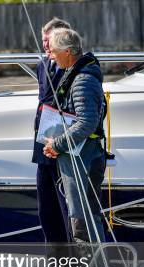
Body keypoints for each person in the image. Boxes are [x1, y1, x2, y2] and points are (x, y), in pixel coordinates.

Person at [42, 28, 107, 244]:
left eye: (53, 52)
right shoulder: (81, 75)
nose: (50, 56)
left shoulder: (82, 81)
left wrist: (57, 145)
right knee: (88, 216)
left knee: (81, 218)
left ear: (68, 51)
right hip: (84, 156)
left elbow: (87, 123)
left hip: (82, 159)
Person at [33, 17, 72, 244]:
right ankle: (55, 263)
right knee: (46, 207)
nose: (46, 45)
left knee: (66, 207)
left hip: (63, 146)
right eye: (43, 40)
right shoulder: (42, 65)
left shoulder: (75, 66)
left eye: (49, 40)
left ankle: (74, 263)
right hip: (42, 144)